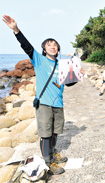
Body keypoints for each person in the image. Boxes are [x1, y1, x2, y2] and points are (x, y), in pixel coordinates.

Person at [2, 15, 86, 175]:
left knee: (54, 132)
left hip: (58, 103)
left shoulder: (62, 65)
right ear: (44, 49)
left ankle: (53, 154)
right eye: (49, 45)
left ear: (58, 49)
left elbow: (67, 83)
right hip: (44, 104)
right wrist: (16, 30)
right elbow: (26, 46)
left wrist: (78, 75)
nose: (52, 47)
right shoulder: (39, 60)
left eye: (55, 45)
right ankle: (49, 163)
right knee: (46, 135)